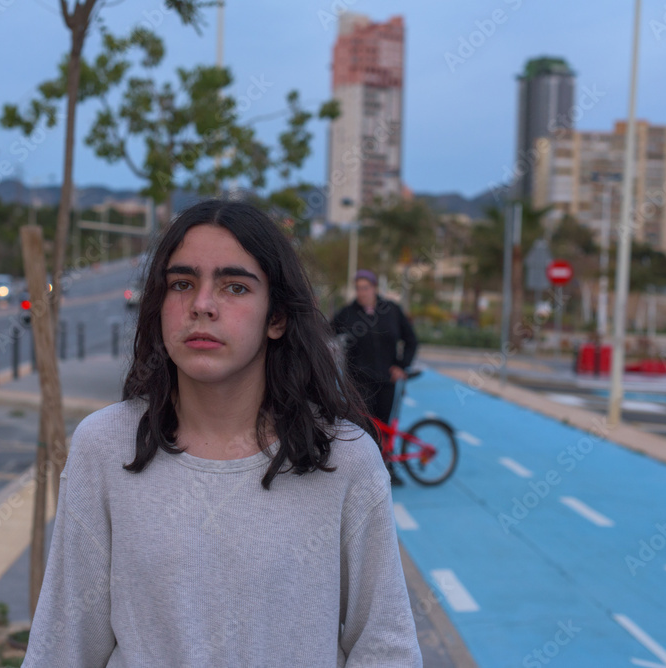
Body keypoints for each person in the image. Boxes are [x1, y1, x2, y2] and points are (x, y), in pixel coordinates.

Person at [22, 200, 422, 667]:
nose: (202, 305)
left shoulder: (345, 460)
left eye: (235, 286)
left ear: (277, 318)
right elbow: (64, 646)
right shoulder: (104, 446)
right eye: (182, 284)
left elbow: (385, 650)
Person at [331, 269, 418, 486]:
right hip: (359, 381)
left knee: (385, 425)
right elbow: (325, 333)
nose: (361, 292)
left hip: (387, 380)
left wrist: (401, 365)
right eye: (358, 288)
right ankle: (364, 472)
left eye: (366, 287)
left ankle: (387, 467)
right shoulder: (348, 313)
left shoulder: (391, 311)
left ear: (375, 288)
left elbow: (411, 340)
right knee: (362, 427)